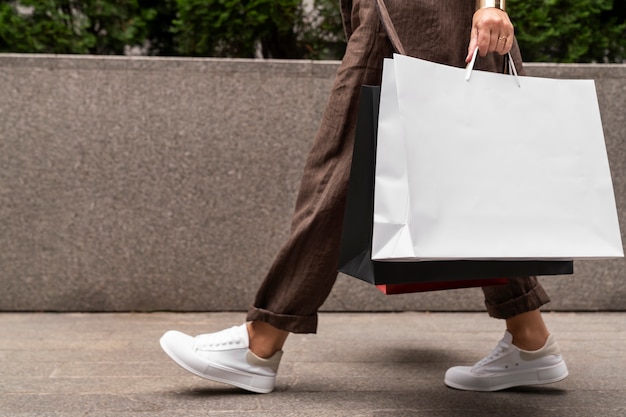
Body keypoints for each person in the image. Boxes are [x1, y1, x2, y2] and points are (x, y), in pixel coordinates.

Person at [159, 0, 569, 394]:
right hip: (412, 16)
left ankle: (260, 341)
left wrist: (491, 4)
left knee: (344, 167)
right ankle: (528, 338)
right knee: (472, 174)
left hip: (431, 17)